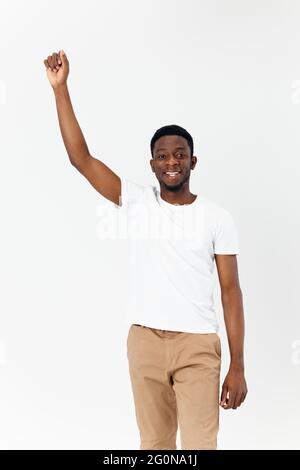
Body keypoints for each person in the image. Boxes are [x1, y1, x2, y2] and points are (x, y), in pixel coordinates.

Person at [43, 50, 248, 450]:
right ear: (152, 165)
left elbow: (231, 292)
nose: (171, 161)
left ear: (193, 161)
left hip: (198, 345)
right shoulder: (138, 202)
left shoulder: (217, 217)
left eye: (179, 155)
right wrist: (61, 89)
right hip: (145, 341)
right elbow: (80, 159)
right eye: (162, 156)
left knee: (200, 445)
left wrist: (237, 365)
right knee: (154, 447)